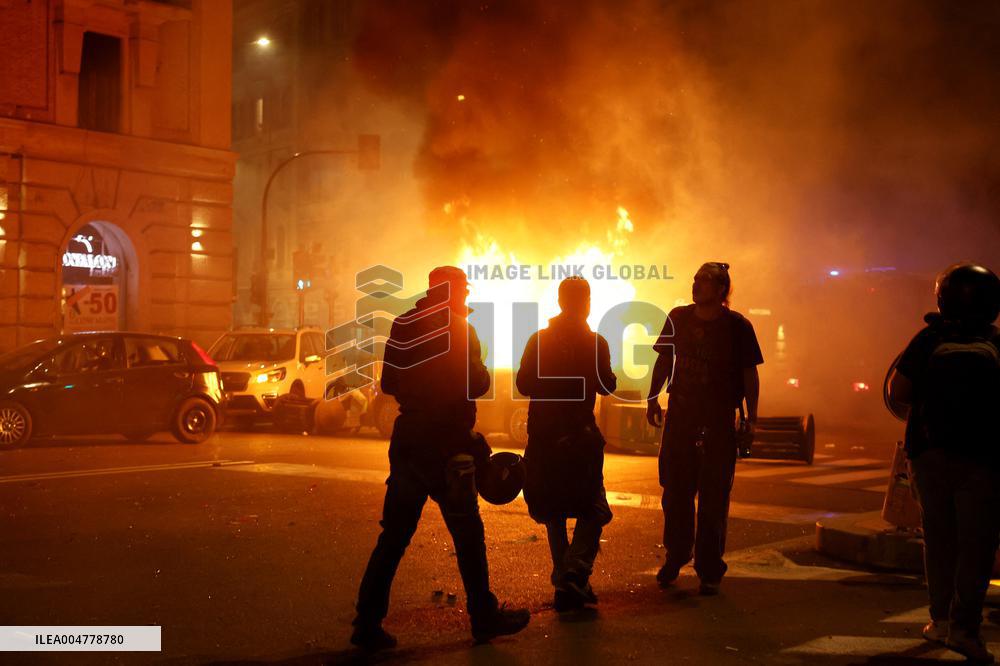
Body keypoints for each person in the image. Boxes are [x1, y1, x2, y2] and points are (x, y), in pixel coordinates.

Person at [351, 266, 530, 650]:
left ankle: (366, 623)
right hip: (449, 446)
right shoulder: (461, 329)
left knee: (394, 537)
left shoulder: (402, 324)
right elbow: (478, 383)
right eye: (464, 291)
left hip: (409, 441)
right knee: (468, 534)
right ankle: (483, 617)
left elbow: (388, 383)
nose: (466, 298)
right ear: (455, 292)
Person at [888, 262, 1000, 663]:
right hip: (985, 459)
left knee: (939, 540)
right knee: (977, 545)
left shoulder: (929, 338)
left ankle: (938, 621)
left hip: (930, 456)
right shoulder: (997, 342)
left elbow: (899, 391)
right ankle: (965, 629)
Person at [645, 262, 763, 595]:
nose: (696, 285)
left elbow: (749, 375)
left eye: (705, 281)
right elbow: (664, 360)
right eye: (695, 279)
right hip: (680, 418)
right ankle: (676, 554)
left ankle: (709, 569)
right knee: (675, 492)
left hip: (718, 424)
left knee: (713, 498)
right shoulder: (678, 318)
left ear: (722, 289)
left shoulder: (737, 327)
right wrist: (653, 398)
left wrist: (751, 419)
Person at [516, 277, 617, 611]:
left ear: (560, 302)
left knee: (553, 510)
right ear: (586, 302)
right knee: (594, 507)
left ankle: (567, 581)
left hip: (544, 436)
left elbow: (524, 382)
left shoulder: (538, 340)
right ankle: (574, 571)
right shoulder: (595, 343)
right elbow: (607, 385)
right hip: (579, 437)